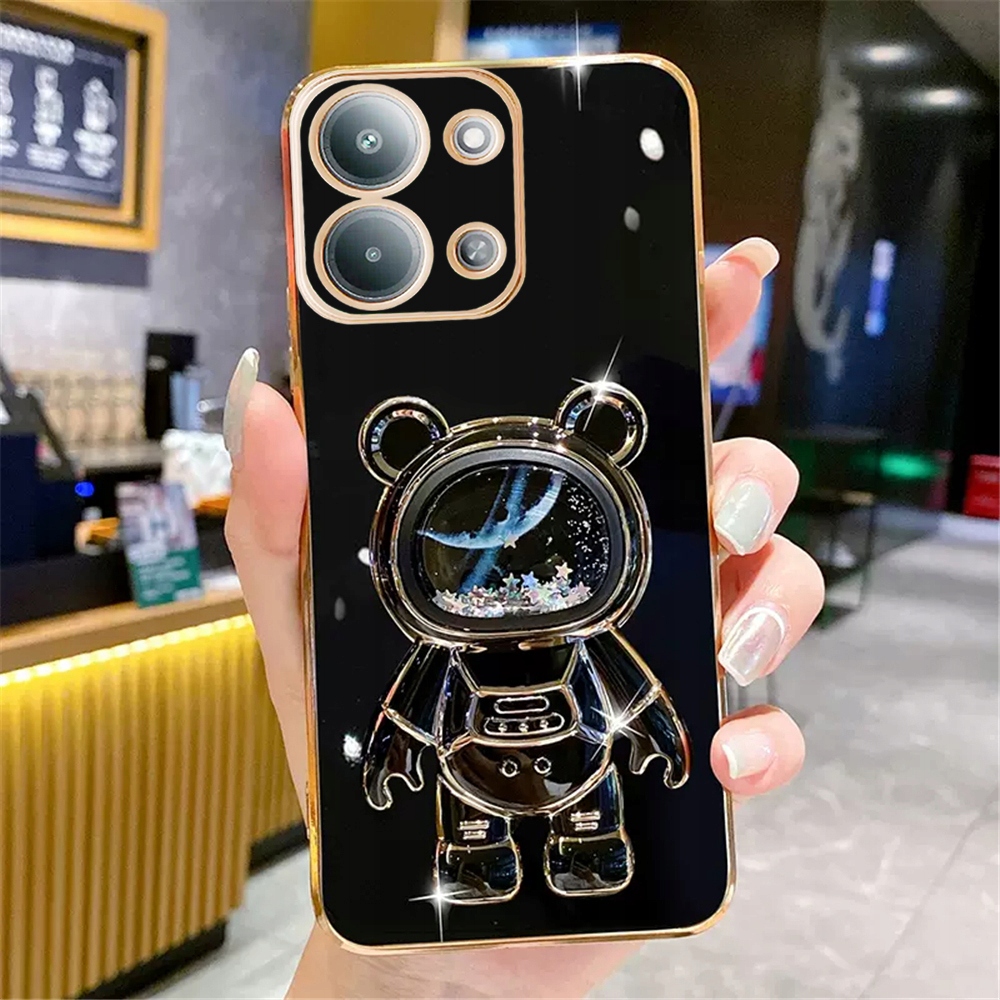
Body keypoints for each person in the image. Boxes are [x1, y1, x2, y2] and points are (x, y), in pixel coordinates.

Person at [223, 237, 824, 999]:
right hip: (471, 771)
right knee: (472, 828)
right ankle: (476, 857)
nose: (510, 577)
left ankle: (590, 846)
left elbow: (637, 692)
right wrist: (384, 761)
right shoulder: (444, 652)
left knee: (594, 819)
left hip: (580, 764)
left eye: (547, 554)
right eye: (469, 551)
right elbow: (408, 713)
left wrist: (666, 736)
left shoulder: (588, 641)